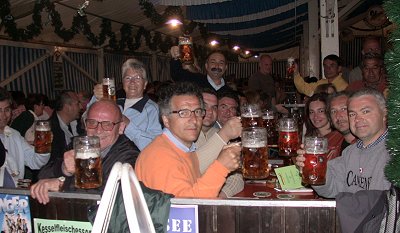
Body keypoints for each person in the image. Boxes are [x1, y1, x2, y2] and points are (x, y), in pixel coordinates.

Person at [135, 82, 241, 198]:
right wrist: (221, 167)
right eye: (183, 113)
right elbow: (186, 207)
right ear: (166, 120)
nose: (194, 120)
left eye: (197, 112)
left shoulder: (184, 149)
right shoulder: (160, 155)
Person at [31, 100, 140, 204]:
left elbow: (109, 195)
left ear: (120, 128)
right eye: (92, 122)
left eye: (107, 124)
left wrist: (61, 184)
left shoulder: (129, 155)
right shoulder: (79, 143)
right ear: (85, 124)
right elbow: (42, 175)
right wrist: (64, 169)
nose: (98, 130)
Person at [296, 88, 391, 198]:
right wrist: (314, 169)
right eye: (352, 114)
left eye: (365, 111)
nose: (358, 119)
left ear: (384, 113)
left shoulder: (393, 152)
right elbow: (332, 187)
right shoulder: (350, 152)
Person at [90, 58, 162, 151]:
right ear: (123, 83)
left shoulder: (152, 109)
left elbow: (156, 146)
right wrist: (95, 98)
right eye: (128, 78)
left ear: (145, 84)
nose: (132, 82)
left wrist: (128, 125)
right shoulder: (115, 104)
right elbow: (86, 123)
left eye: (137, 78)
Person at [195, 88, 243, 197]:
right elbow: (192, 172)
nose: (210, 111)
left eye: (214, 107)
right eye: (204, 106)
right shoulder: (185, 136)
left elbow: (237, 177)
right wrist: (224, 134)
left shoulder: (216, 133)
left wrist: (221, 197)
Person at [0, 87, 50, 187]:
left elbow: (35, 161)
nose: (3, 115)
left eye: (7, 110)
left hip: (15, 197)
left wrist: (44, 145)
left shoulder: (14, 135)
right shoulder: (27, 117)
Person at [45, 91, 83, 165]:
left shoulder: (78, 124)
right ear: (67, 107)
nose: (81, 107)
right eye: (78, 103)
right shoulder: (50, 130)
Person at [304, 93, 344, 159]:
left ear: (329, 111)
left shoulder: (339, 137)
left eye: (321, 111)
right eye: (312, 112)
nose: (315, 116)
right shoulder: (310, 137)